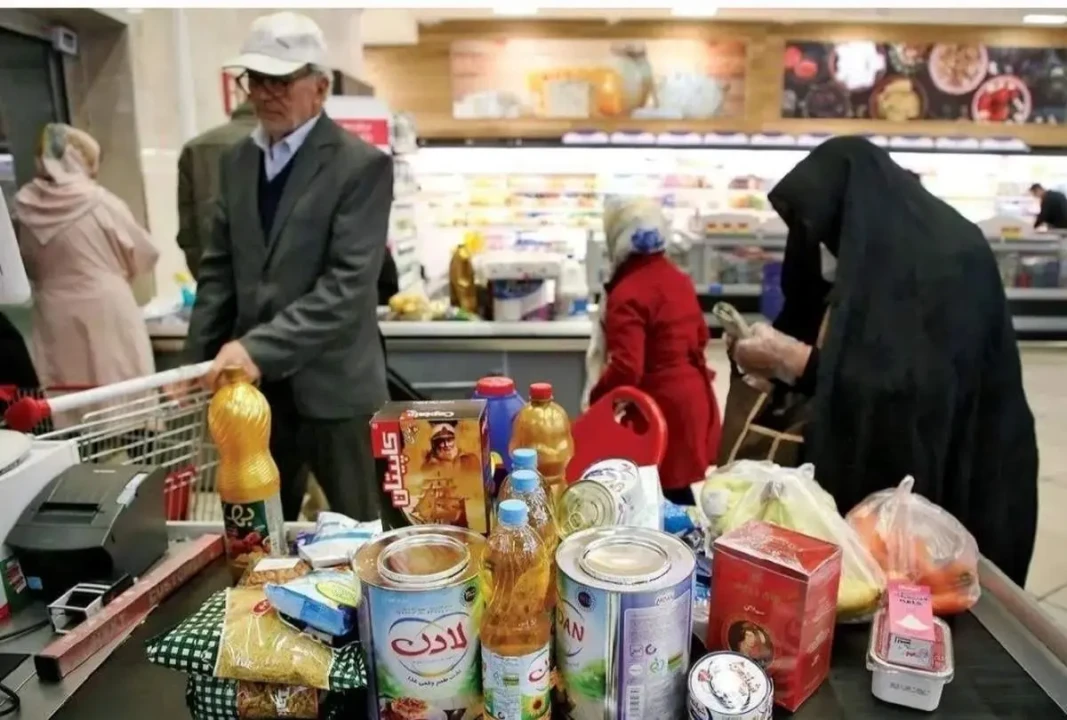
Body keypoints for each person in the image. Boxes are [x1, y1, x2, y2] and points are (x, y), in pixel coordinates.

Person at [730, 136, 1038, 586]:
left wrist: (795, 362)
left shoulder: (941, 260)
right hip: (911, 495)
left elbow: (909, 396)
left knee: (949, 602)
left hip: (967, 476)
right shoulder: (884, 253)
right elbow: (866, 363)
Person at [185, 12, 392, 522]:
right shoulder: (237, 163)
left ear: (320, 88)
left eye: (280, 80)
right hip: (257, 397)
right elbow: (219, 272)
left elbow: (347, 288)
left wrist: (256, 349)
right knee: (260, 529)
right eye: (256, 80)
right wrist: (195, 361)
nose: (265, 93)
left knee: (363, 528)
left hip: (336, 390)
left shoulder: (360, 165)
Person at [584, 196, 721, 504]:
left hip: (659, 409)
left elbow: (627, 367)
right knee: (675, 493)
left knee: (654, 497)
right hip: (694, 399)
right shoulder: (678, 279)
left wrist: (597, 400)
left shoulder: (628, 291)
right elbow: (701, 336)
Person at [13, 123, 158, 395]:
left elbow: (23, 263)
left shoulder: (23, 209)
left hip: (54, 312)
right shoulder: (101, 202)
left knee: (70, 395)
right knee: (121, 392)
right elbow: (146, 253)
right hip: (107, 308)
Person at [177, 102, 257, 279]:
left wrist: (204, 277)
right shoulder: (286, 142)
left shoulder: (196, 148)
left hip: (213, 273)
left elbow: (187, 232)